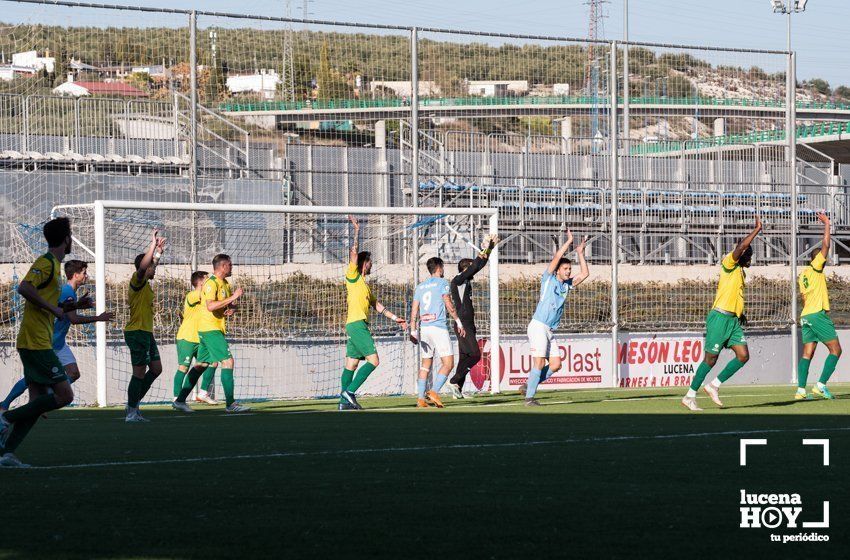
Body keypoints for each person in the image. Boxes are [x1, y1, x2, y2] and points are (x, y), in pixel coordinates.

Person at [0, 218, 88, 467]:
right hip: (36, 341)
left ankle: (6, 453)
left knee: (37, 404)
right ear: (66, 239)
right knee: (64, 395)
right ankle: (5, 418)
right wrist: (54, 308)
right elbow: (24, 287)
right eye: (70, 235)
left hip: (37, 340)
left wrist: (73, 306)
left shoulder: (55, 267)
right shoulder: (46, 262)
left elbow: (48, 304)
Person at [681, 218, 762, 411]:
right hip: (719, 318)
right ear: (742, 255)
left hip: (732, 321)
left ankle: (714, 385)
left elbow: (734, 294)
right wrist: (757, 230)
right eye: (748, 255)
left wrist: (740, 313)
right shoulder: (729, 263)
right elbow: (742, 245)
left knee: (743, 355)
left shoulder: (741, 272)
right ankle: (690, 396)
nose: (750, 259)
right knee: (710, 359)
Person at [339, 216, 407, 411]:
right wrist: (357, 231)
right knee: (374, 360)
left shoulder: (365, 286)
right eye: (370, 262)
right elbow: (353, 253)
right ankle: (349, 393)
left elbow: (377, 305)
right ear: (363, 263)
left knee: (351, 364)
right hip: (357, 324)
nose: (371, 265)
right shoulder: (352, 275)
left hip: (356, 325)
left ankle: (343, 403)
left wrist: (396, 318)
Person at [172, 254, 249, 413]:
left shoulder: (225, 283)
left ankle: (180, 400)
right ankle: (231, 404)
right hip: (210, 329)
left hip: (213, 328)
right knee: (228, 361)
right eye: (230, 264)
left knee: (202, 365)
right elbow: (210, 306)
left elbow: (227, 304)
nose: (232, 266)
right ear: (222, 266)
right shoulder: (210, 284)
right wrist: (233, 297)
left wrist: (232, 307)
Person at [522, 232, 589, 406]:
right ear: (558, 270)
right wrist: (568, 241)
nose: (568, 271)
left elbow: (585, 274)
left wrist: (580, 253)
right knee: (538, 362)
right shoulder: (548, 279)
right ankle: (529, 398)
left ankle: (529, 385)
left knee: (556, 364)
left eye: (569, 269)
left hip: (550, 330)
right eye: (565, 269)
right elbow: (558, 256)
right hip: (538, 326)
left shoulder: (567, 285)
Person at [409, 257, 466, 409]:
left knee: (425, 365)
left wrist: (413, 330)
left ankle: (421, 399)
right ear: (439, 268)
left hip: (424, 329)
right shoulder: (442, 283)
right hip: (438, 328)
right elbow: (448, 303)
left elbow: (414, 310)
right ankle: (434, 391)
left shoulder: (420, 287)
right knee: (448, 363)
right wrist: (458, 322)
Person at [447, 235, 498, 399]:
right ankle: (454, 381)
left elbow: (479, 264)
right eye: (470, 269)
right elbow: (476, 265)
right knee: (475, 355)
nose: (474, 271)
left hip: (468, 323)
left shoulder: (465, 282)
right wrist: (485, 246)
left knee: (464, 357)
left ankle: (457, 390)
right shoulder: (458, 280)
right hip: (463, 324)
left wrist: (489, 249)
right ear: (464, 269)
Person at [124, 229, 167, 422]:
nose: (154, 269)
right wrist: (151, 246)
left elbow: (150, 266)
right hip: (136, 332)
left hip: (146, 333)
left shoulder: (146, 284)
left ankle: (133, 403)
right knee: (139, 372)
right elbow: (143, 268)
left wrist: (158, 253)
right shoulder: (137, 280)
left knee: (156, 369)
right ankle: (132, 411)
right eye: (152, 266)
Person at [796, 212, 840, 400]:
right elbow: (826, 245)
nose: (826, 260)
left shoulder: (803, 275)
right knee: (836, 350)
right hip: (816, 315)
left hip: (806, 316)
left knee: (808, 352)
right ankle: (820, 385)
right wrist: (827, 224)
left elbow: (804, 299)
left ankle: (800, 391)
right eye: (824, 259)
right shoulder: (815, 268)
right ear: (818, 260)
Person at [173, 271, 218, 405]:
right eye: (206, 279)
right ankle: (176, 398)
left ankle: (203, 393)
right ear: (200, 282)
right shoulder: (192, 295)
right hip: (187, 337)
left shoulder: (206, 298)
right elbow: (203, 295)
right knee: (183, 367)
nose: (209, 282)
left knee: (213, 362)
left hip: (201, 338)